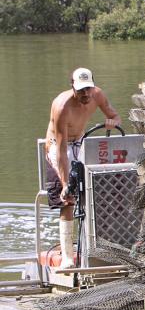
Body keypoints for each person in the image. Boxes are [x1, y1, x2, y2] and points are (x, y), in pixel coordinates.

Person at [45, 67, 121, 269]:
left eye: (88, 89)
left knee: (97, 190)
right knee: (68, 199)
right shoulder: (62, 106)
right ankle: (68, 257)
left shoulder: (97, 95)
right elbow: (61, 150)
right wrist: (65, 184)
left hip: (81, 142)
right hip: (58, 146)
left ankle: (100, 248)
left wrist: (112, 122)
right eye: (81, 90)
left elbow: (116, 116)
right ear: (73, 87)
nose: (85, 94)